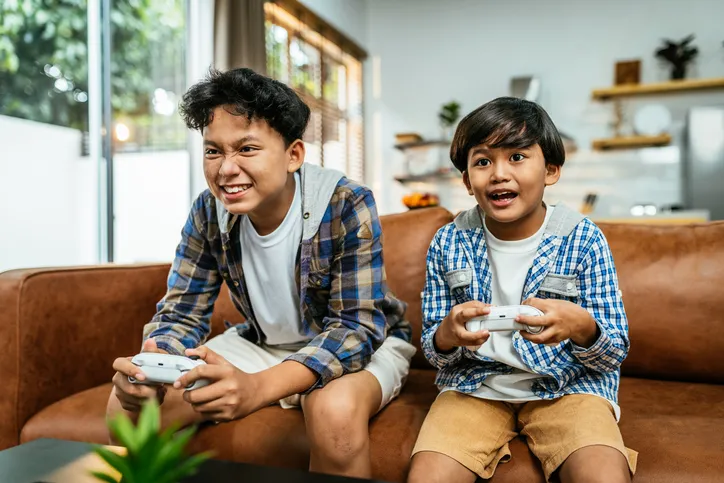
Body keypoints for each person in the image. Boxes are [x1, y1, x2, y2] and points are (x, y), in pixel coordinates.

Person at [106, 67, 416, 479]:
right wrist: (156, 361)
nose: (225, 169)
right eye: (213, 151)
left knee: (334, 413)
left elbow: (355, 328)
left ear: (294, 155)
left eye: (247, 149)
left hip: (361, 343)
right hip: (262, 343)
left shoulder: (344, 202)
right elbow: (181, 314)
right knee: (125, 411)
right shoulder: (208, 210)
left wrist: (258, 388)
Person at [407, 97, 636, 483]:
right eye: (482, 161)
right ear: (466, 181)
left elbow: (612, 352)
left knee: (603, 475)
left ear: (550, 170)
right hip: (474, 387)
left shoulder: (583, 239)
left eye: (517, 157)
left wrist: (583, 327)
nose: (498, 174)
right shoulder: (448, 242)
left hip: (570, 387)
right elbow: (435, 349)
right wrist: (447, 335)